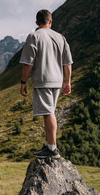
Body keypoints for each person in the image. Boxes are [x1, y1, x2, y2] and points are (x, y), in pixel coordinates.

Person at [19, 9, 73, 158]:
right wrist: (67, 81)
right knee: (50, 112)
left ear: (36, 22)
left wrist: (23, 81)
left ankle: (52, 148)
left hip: (43, 80)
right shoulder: (60, 37)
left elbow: (28, 63)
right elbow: (67, 62)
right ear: (50, 21)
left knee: (48, 113)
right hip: (57, 81)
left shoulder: (34, 36)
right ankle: (49, 144)